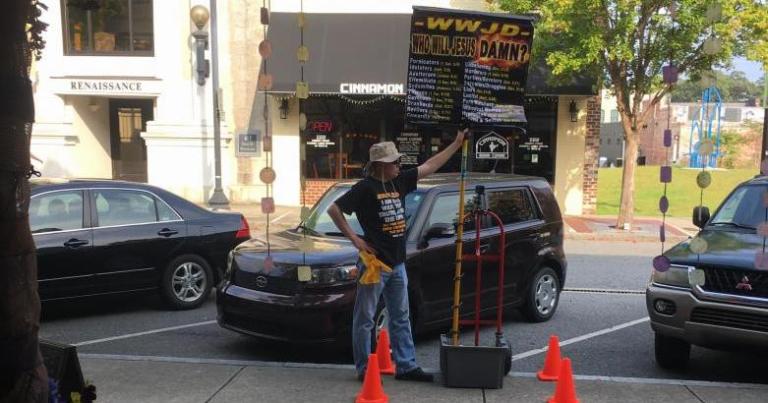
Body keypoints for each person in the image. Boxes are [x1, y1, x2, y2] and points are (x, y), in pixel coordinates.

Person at [328, 128, 467, 382]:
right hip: (374, 264)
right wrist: (355, 239)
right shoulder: (365, 188)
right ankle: (364, 369)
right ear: (381, 165)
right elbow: (334, 209)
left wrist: (456, 143)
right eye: (394, 162)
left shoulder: (400, 180)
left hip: (398, 263)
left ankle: (406, 366)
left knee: (401, 316)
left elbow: (430, 166)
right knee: (365, 318)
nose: (399, 165)